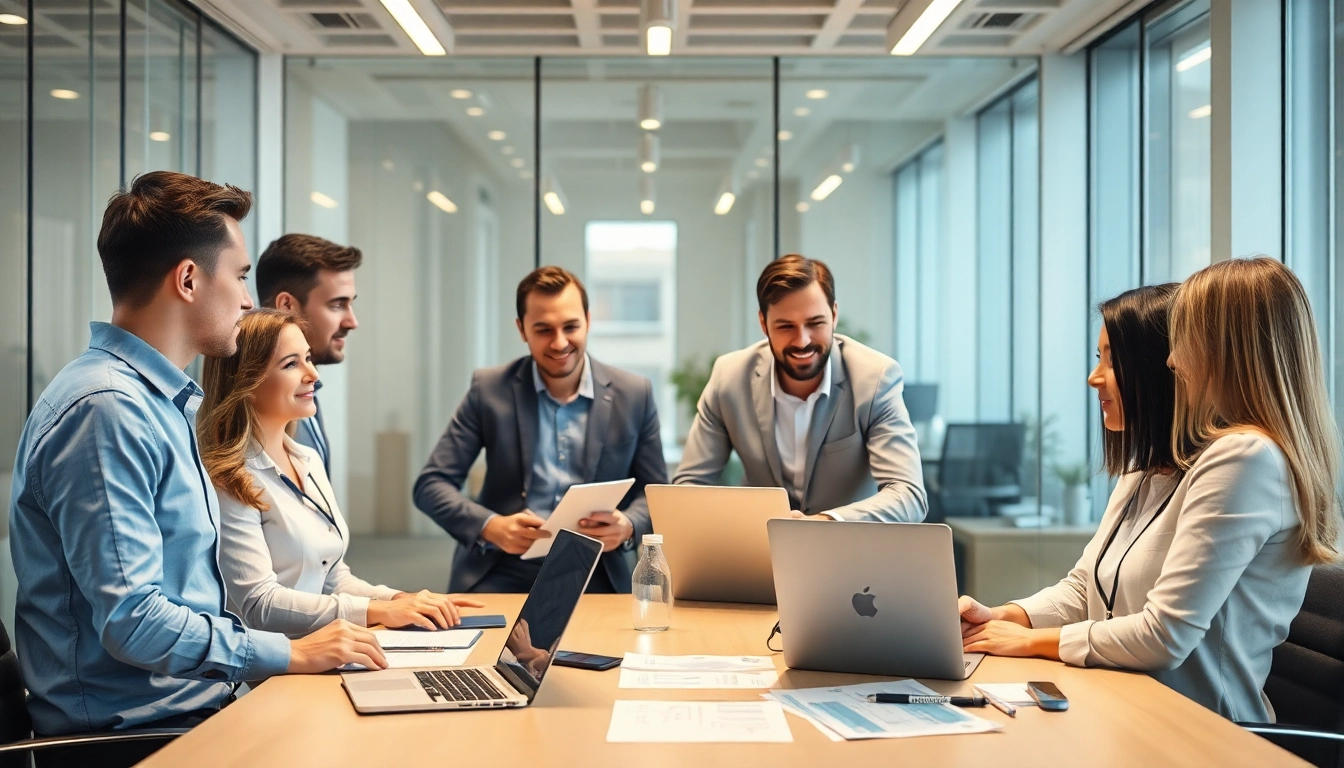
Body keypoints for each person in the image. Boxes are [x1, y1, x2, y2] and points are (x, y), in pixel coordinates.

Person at [8, 172, 385, 765]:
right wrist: (291, 653)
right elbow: (133, 621)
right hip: (141, 737)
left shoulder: (162, 404)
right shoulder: (107, 411)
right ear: (188, 279)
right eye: (237, 276)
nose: (244, 298)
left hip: (201, 706)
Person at [959, 260, 1342, 722]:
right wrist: (1003, 617)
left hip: (1202, 732)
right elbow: (1085, 589)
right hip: (1124, 707)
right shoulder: (1147, 470)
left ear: (1227, 351)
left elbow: (1165, 635)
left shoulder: (1245, 459)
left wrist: (1031, 641)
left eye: (1186, 340)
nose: (1173, 359)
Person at [200, 310, 484, 638]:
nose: (313, 375)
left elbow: (332, 577)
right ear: (246, 383)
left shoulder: (307, 460)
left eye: (308, 358)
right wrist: (377, 611)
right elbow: (259, 604)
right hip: (284, 665)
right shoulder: (230, 479)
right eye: (291, 364)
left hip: (331, 646)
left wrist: (399, 599)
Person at [414, 266, 667, 593]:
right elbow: (430, 485)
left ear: (588, 320)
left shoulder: (634, 394)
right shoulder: (489, 390)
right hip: (504, 566)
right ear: (522, 330)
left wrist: (627, 525)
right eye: (543, 329)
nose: (559, 343)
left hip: (596, 568)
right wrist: (491, 527)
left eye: (571, 327)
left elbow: (657, 492)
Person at [673, 254, 926, 521]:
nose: (802, 340)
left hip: (849, 551)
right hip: (758, 553)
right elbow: (688, 488)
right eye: (785, 326)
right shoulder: (729, 378)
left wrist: (826, 523)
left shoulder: (875, 379)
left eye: (815, 323)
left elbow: (908, 494)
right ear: (764, 324)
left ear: (834, 315)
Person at [255, 234, 362, 473]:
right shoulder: (260, 406)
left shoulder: (306, 391)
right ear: (286, 306)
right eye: (337, 305)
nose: (352, 322)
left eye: (350, 303)